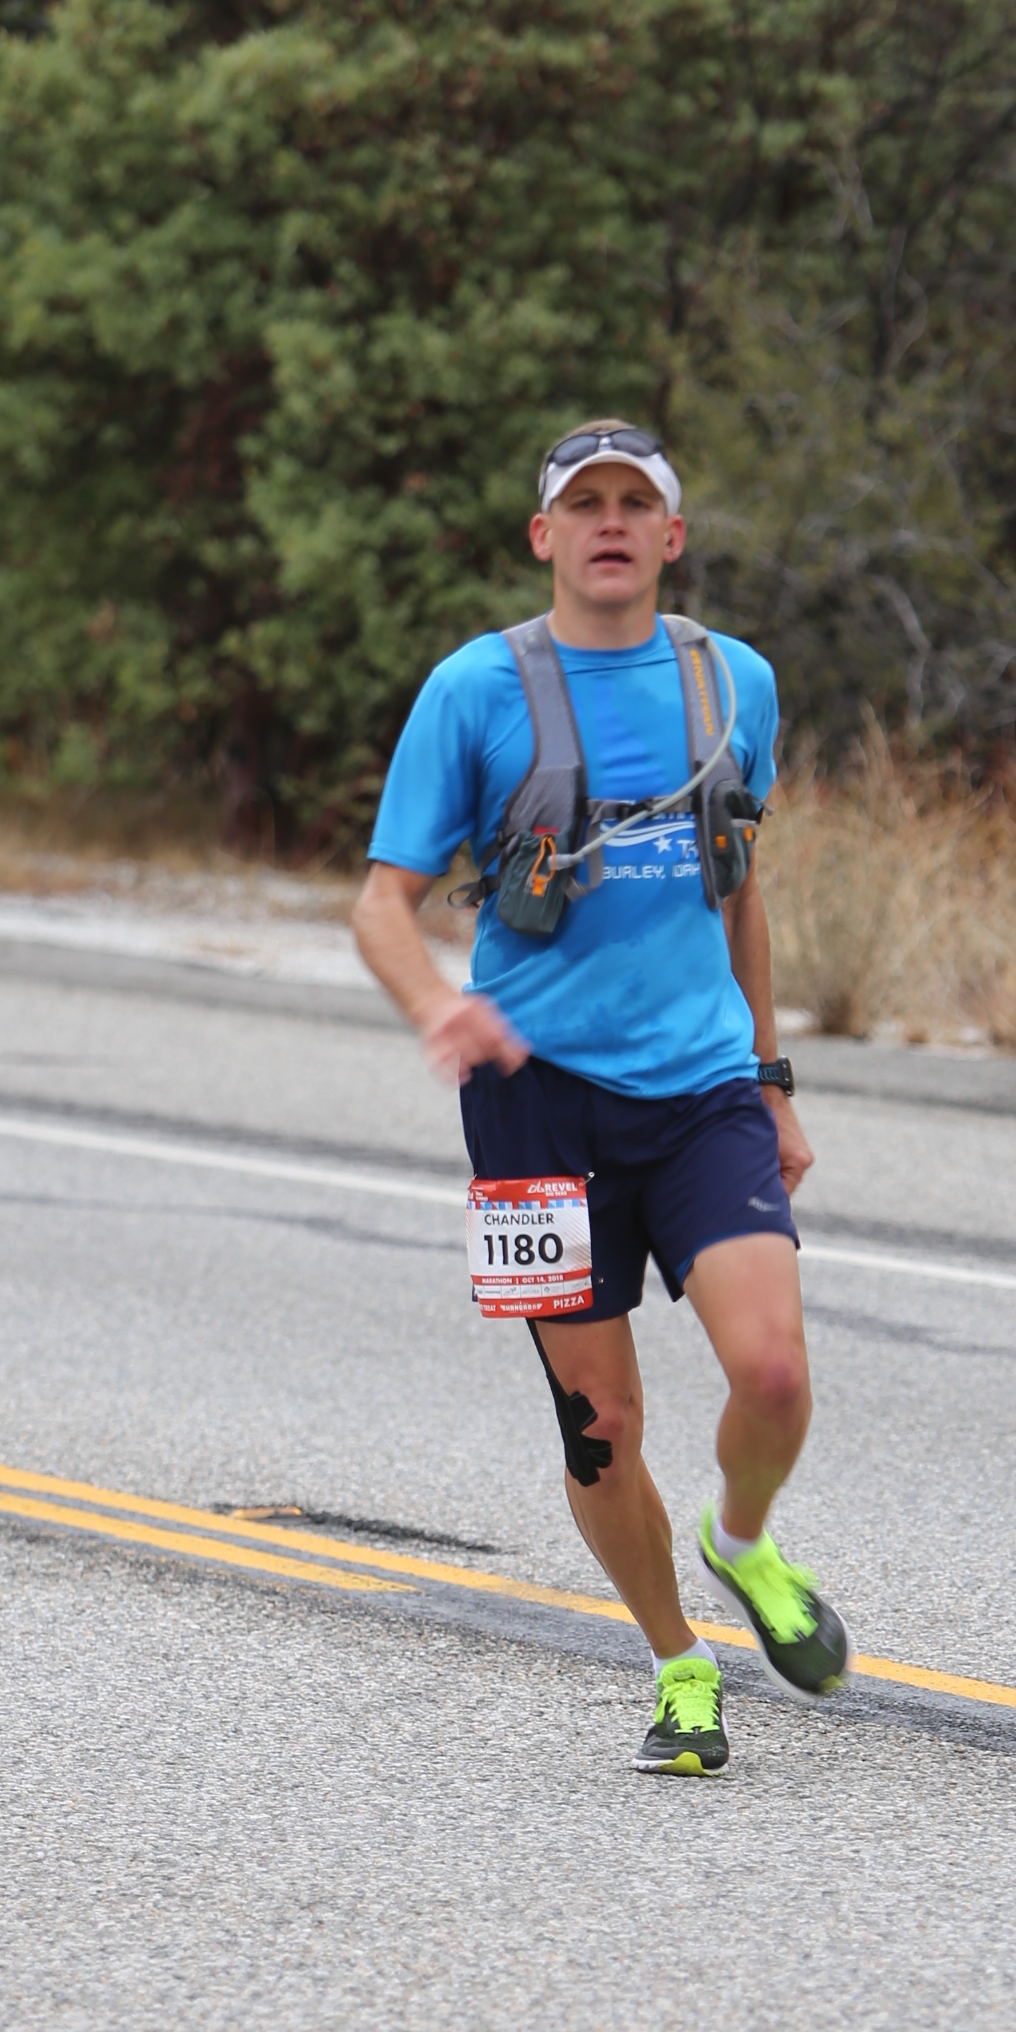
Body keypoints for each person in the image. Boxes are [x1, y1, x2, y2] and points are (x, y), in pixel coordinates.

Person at [353, 420, 848, 1774]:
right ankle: (679, 1665)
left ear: (672, 536)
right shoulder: (475, 689)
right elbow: (384, 904)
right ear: (546, 535)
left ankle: (741, 1540)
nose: (611, 521)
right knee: (601, 1425)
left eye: (637, 502)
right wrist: (437, 1006)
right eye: (586, 503)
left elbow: (738, 885)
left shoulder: (735, 682)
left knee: (774, 1373)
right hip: (532, 1105)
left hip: (702, 1090)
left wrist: (772, 1079)